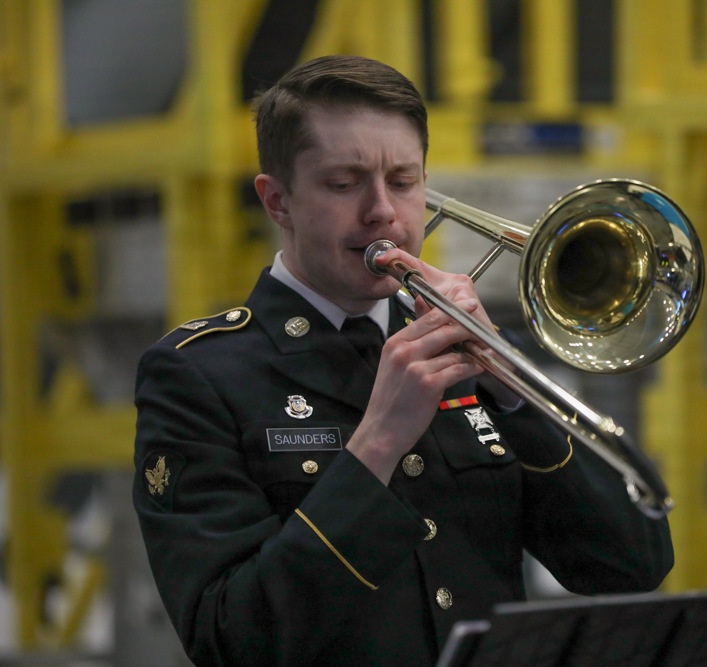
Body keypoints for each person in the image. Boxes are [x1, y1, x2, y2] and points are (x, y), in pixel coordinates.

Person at [133, 54, 673, 667]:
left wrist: (514, 389)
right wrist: (377, 444)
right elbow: (231, 640)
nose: (382, 212)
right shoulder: (199, 374)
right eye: (344, 184)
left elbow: (630, 567)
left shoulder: (469, 353)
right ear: (278, 201)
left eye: (404, 181)